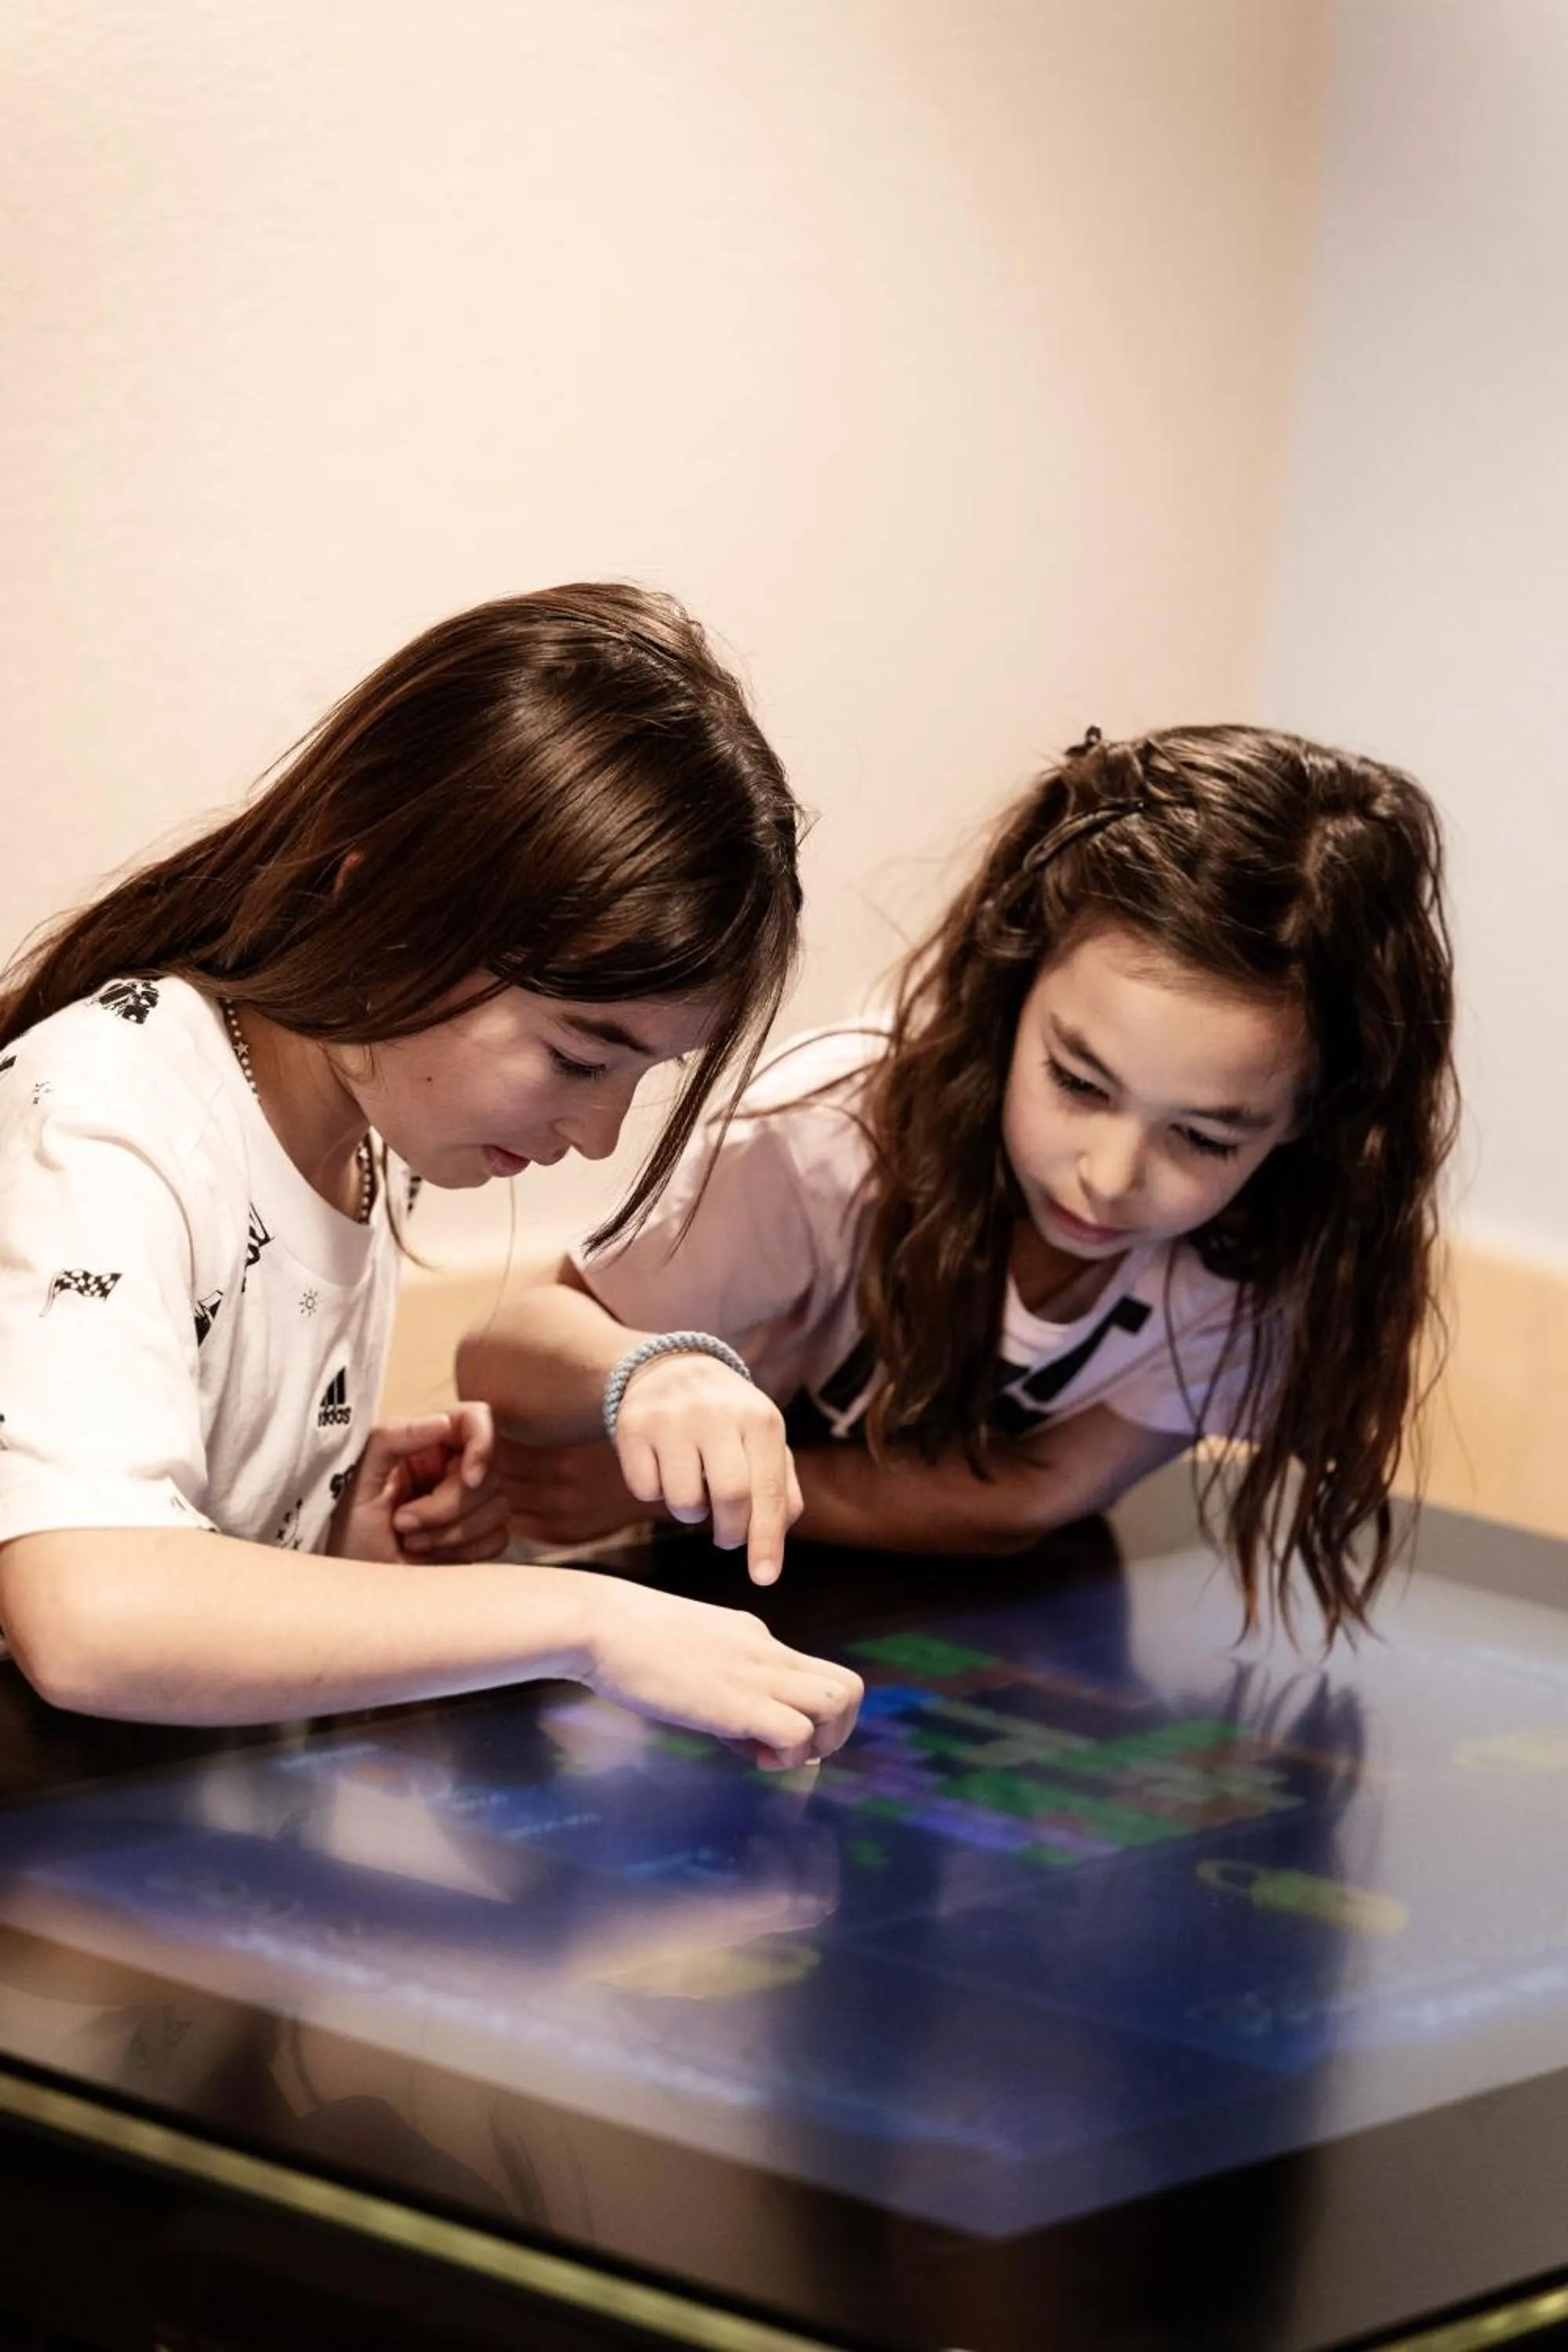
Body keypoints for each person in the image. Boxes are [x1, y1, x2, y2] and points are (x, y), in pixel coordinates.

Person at [0, 584, 862, 1766]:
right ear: (387, 900)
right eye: (576, 1054)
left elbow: (157, 1538)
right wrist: (586, 1625)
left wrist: (337, 1532)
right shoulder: (107, 1107)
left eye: (640, 1076)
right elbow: (88, 1616)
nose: (602, 1135)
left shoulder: (358, 1137)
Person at [463, 724, 1457, 1639]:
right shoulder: (823, 1137)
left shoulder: (1270, 1251)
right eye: (1075, 1080)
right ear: (1008, 989)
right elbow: (507, 1359)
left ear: (1304, 1128)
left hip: (959, 1633)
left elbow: (1021, 1501)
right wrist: (652, 1375)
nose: (1108, 1179)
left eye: (1202, 1138)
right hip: (670, 1616)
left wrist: (671, 1490)